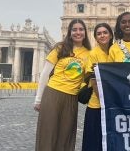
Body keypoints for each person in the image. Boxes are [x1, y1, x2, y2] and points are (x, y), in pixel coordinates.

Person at [34, 19, 91, 151]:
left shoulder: (89, 53)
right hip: (53, 93)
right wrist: (38, 99)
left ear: (85, 32)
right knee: (48, 132)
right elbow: (45, 73)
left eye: (81, 29)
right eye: (74, 29)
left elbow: (87, 77)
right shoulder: (60, 47)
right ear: (69, 32)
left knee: (66, 135)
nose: (78, 32)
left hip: (72, 98)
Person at [81, 23, 114, 151]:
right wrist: (105, 102)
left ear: (111, 35)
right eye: (99, 33)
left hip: (114, 104)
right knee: (94, 142)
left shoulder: (116, 51)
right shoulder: (93, 53)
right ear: (95, 37)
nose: (102, 35)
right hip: (97, 104)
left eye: (105, 32)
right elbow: (93, 80)